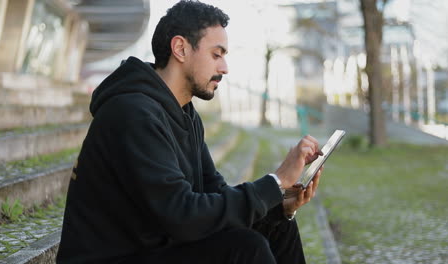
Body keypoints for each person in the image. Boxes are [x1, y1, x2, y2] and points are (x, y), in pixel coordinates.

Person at [56, 1, 323, 263]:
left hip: (156, 247)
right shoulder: (132, 113)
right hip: (118, 256)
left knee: (278, 226)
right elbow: (182, 215)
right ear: (181, 48)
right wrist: (274, 182)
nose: (224, 68)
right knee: (245, 249)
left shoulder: (185, 114)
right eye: (216, 55)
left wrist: (278, 205)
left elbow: (214, 191)